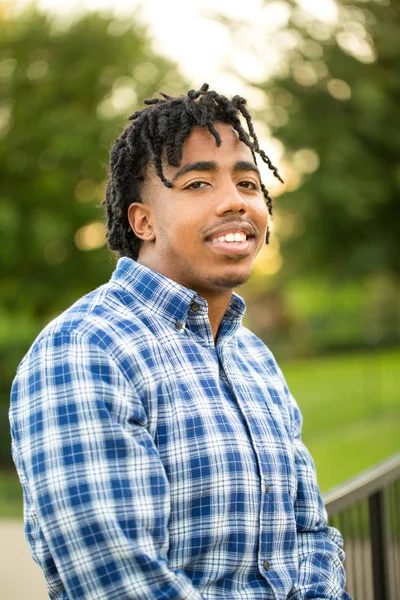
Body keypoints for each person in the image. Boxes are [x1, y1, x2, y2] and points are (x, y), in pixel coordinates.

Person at [9, 83, 351, 600]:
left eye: (248, 182)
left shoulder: (252, 356)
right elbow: (122, 582)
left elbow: (310, 534)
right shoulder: (85, 350)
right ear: (143, 221)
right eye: (197, 184)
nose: (235, 201)